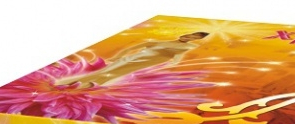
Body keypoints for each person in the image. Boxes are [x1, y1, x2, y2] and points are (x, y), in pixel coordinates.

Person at [55, 32, 209, 87]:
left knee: (110, 75)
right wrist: (118, 56)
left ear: (195, 39)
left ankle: (74, 87)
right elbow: (134, 47)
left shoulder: (187, 47)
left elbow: (177, 56)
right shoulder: (159, 42)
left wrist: (175, 63)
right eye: (190, 35)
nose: (189, 37)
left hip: (143, 63)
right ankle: (67, 84)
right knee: (105, 72)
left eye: (194, 37)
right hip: (132, 58)